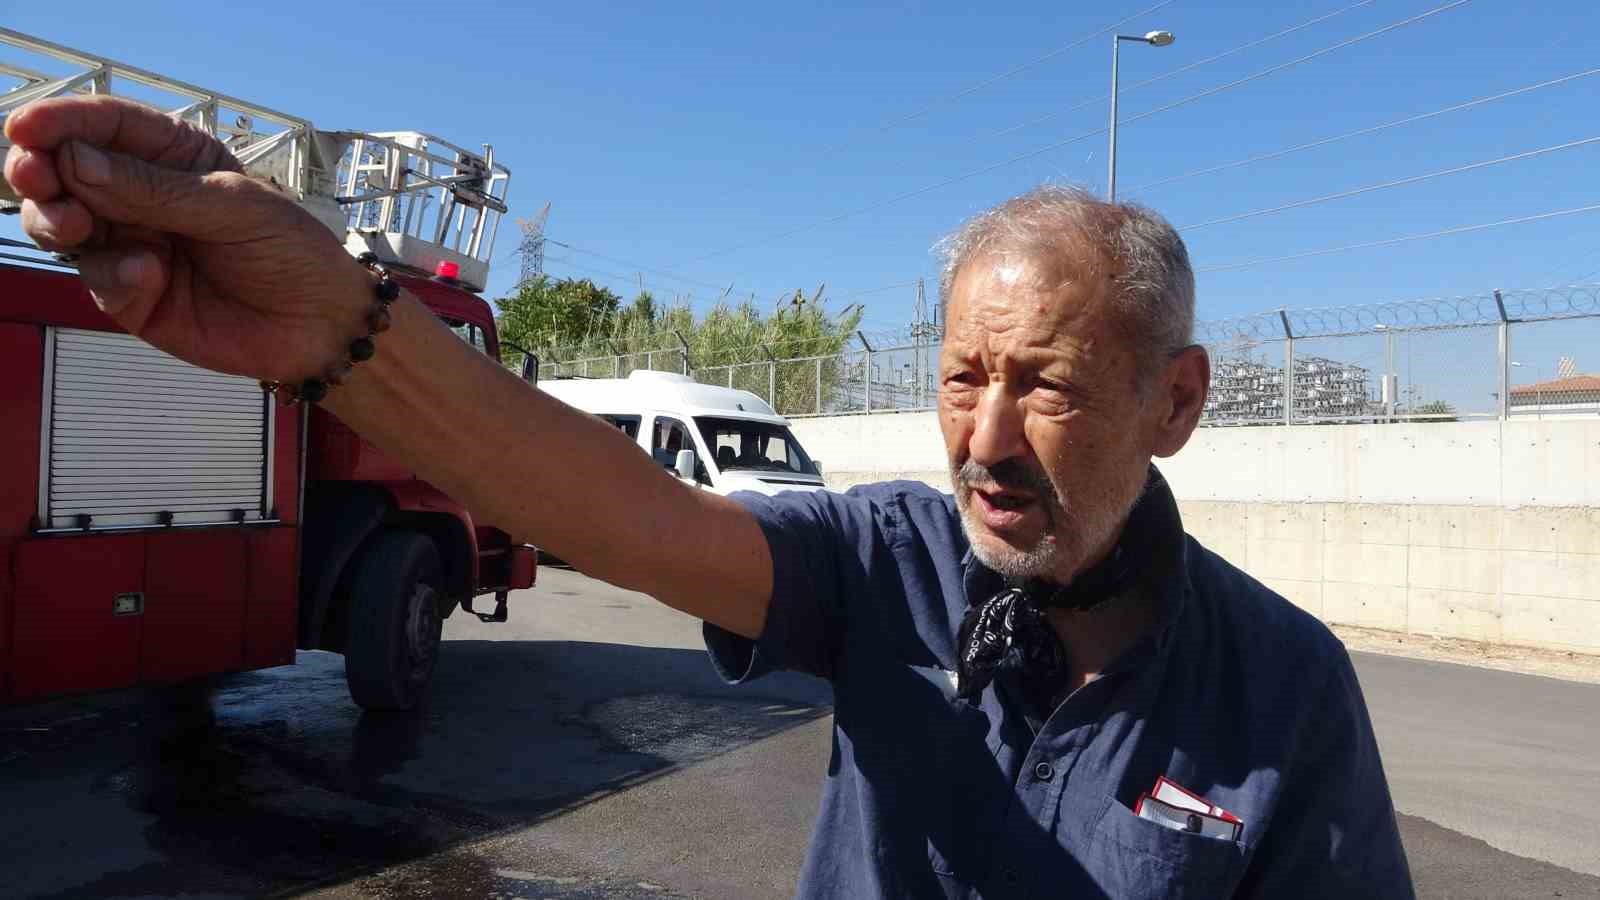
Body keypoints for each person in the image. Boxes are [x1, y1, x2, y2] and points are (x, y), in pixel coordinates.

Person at [5, 95, 1413, 899]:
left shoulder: (1284, 687)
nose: (984, 441)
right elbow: (623, 511)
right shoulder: (889, 563)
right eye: (960, 378)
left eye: (1045, 387)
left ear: (1177, 402)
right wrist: (336, 328)